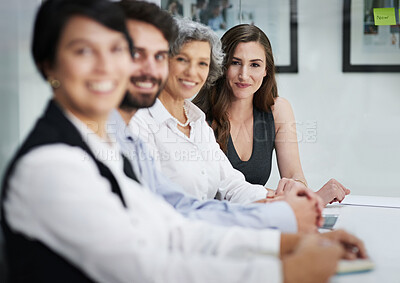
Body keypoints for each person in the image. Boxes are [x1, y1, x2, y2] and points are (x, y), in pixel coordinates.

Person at [0, 0, 368, 283]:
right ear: (48, 64)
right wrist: (286, 268)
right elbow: (147, 267)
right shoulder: (51, 165)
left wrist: (286, 243)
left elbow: (171, 230)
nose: (107, 67)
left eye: (116, 51)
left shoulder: (110, 145)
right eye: (83, 51)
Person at [116, 0, 318, 234]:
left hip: (207, 233)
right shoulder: (138, 122)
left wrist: (277, 201)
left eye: (202, 63)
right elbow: (164, 206)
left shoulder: (195, 120)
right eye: (182, 60)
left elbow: (232, 184)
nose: (193, 72)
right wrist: (265, 213)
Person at [193, 24, 350, 206]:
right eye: (236, 63)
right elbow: (222, 190)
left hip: (260, 217)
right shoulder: (197, 117)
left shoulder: (278, 110)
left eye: (255, 65)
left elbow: (294, 175)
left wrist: (297, 190)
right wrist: (309, 199)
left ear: (266, 70)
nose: (244, 75)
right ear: (222, 66)